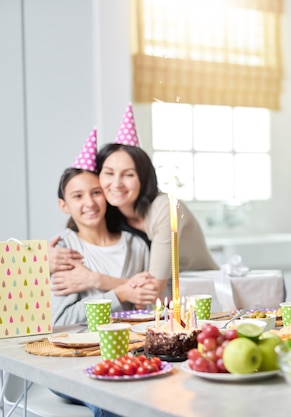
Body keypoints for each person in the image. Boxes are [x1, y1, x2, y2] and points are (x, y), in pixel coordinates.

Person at [50, 104, 219, 299]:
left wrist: (94, 279)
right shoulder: (113, 210)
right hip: (160, 302)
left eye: (128, 175)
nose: (116, 184)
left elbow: (153, 289)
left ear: (143, 178)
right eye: (109, 173)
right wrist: (44, 257)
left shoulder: (166, 208)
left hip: (201, 294)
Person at [51, 130, 157, 326]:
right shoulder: (63, 250)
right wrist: (119, 294)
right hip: (86, 349)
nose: (90, 203)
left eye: (96, 192)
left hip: (134, 349)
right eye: (78, 196)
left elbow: (151, 306)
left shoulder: (136, 245)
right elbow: (61, 320)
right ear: (64, 205)